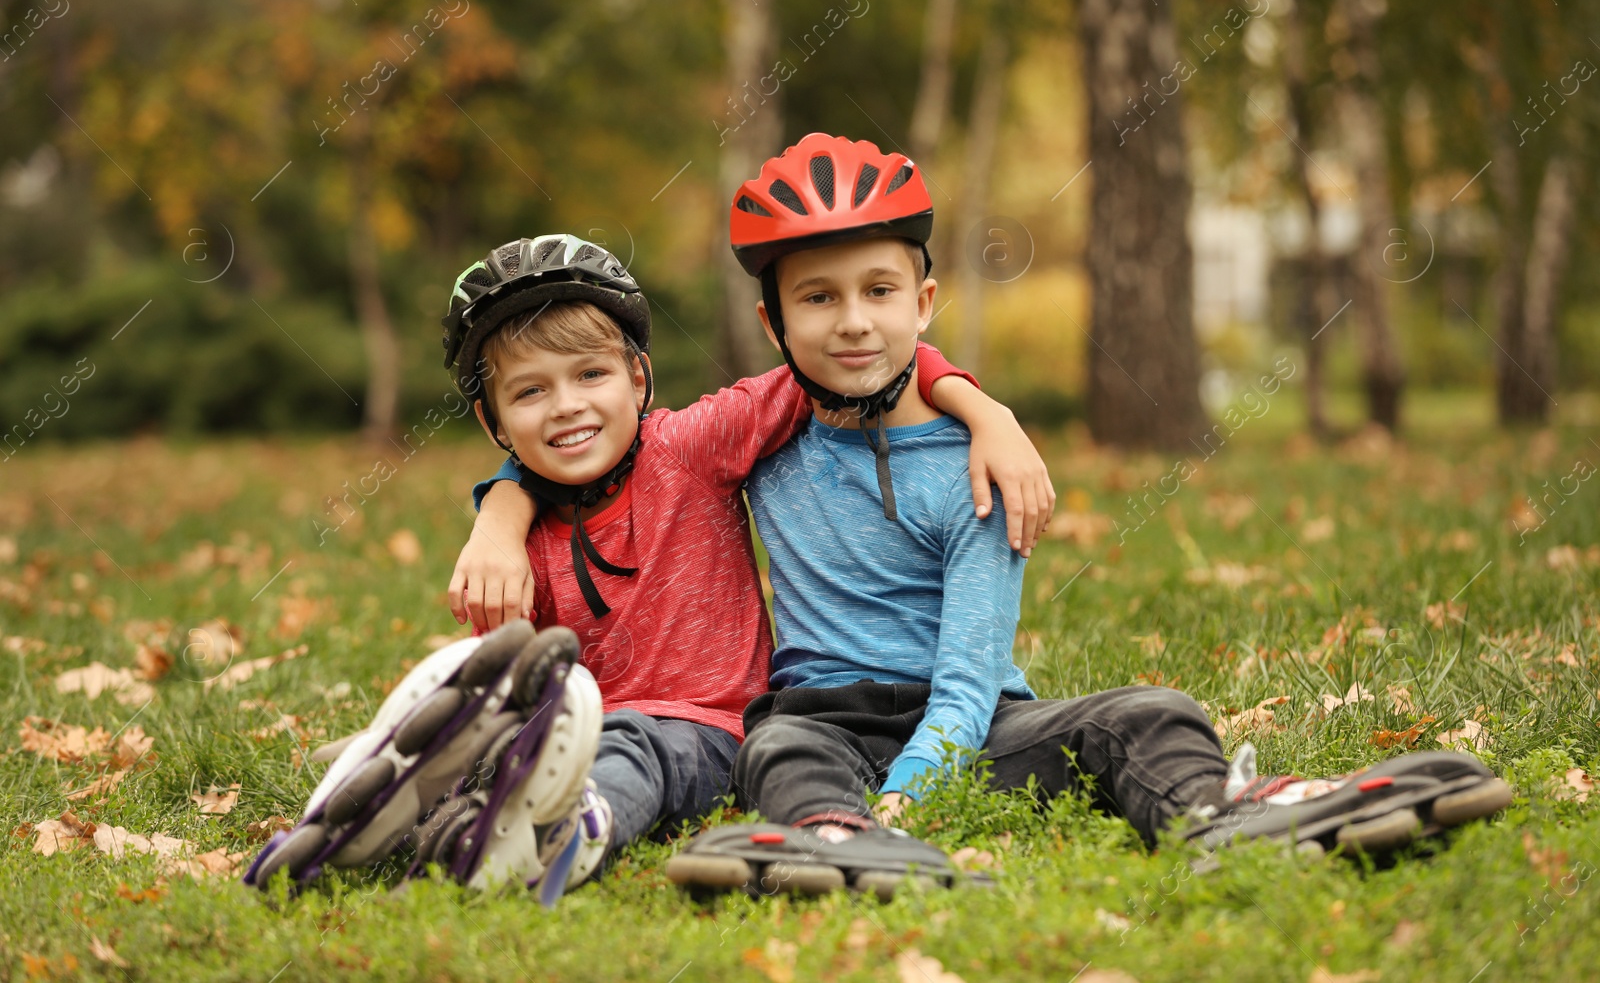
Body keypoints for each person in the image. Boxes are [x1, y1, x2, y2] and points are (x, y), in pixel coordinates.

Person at [664, 134, 1512, 897]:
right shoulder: (756, 432)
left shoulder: (984, 468)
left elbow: (966, 680)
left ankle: (1227, 810)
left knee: (1144, 712)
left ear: (922, 304)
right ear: (775, 325)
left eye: (878, 289)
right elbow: (632, 449)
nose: (853, 321)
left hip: (974, 722)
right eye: (818, 299)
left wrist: (910, 790)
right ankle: (830, 841)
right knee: (775, 748)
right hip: (827, 717)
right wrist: (519, 503)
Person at [450, 231, 1054, 891]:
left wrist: (987, 411)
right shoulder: (517, 546)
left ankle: (560, 838)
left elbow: (850, 356)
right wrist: (500, 512)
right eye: (531, 392)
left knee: (632, 741)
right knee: (494, 736)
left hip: (712, 736)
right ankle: (426, 807)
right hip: (584, 742)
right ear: (494, 421)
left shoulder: (693, 445)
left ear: (639, 377)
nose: (567, 404)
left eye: (591, 374)